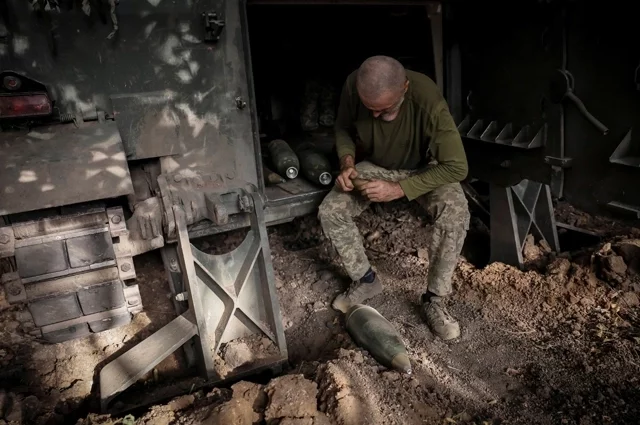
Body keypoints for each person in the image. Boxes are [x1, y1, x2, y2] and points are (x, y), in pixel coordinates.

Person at [317, 55, 470, 341]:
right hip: (378, 166)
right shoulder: (354, 87)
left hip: (424, 169)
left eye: (384, 110)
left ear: (405, 88)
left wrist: (399, 189)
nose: (375, 116)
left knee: (455, 211)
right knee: (331, 210)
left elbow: (458, 166)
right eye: (369, 109)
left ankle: (435, 300)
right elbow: (343, 129)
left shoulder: (428, 101)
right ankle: (365, 280)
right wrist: (347, 163)